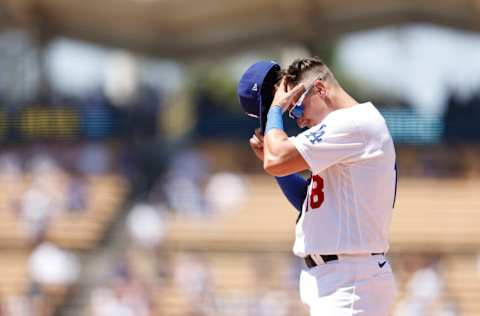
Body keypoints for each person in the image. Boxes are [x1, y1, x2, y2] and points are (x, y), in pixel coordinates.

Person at [237, 57, 397, 315]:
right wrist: (281, 168)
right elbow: (307, 201)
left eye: (298, 109)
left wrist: (277, 109)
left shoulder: (353, 123)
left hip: (350, 280)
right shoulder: (346, 132)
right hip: (338, 278)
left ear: (320, 89)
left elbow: (276, 157)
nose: (299, 120)